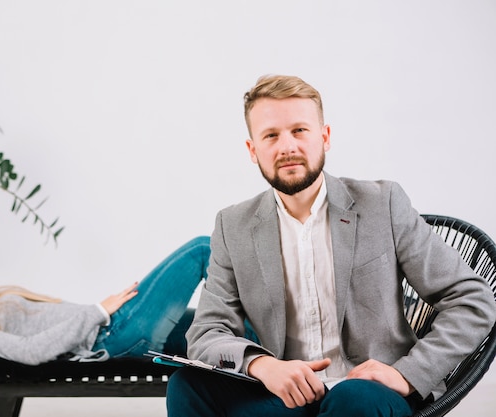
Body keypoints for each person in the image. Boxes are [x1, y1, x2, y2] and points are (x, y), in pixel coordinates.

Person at [165, 75, 496, 417]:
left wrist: (406, 374)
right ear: (253, 150)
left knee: (351, 399)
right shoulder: (233, 226)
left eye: (299, 130)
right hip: (286, 397)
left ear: (324, 138)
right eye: (271, 135)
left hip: (371, 393)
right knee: (187, 384)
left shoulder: (382, 204)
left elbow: (473, 301)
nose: (287, 147)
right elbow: (207, 333)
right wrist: (261, 365)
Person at [0, 236, 209, 365]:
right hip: (112, 335)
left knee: (214, 330)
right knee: (201, 249)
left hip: (112, 326)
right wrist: (99, 311)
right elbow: (28, 352)